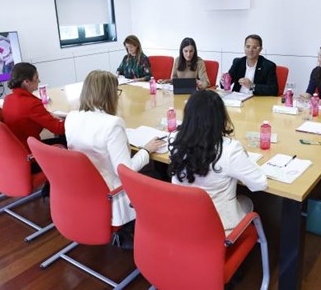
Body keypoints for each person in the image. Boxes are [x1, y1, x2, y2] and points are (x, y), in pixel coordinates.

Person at [65, 70, 165, 227]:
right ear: (109, 94)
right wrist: (146, 150)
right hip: (112, 192)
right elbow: (126, 170)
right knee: (157, 172)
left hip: (84, 187)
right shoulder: (112, 124)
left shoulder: (71, 117)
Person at [168, 89, 268, 234]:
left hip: (182, 219)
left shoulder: (174, 139)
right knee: (246, 202)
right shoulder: (230, 149)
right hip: (218, 228)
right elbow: (260, 183)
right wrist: (245, 158)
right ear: (220, 117)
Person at [2, 62, 66, 151]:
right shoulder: (31, 104)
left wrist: (48, 115)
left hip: (18, 148)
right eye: (36, 78)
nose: (39, 81)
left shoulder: (8, 99)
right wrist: (74, 119)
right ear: (26, 81)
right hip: (32, 152)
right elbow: (59, 129)